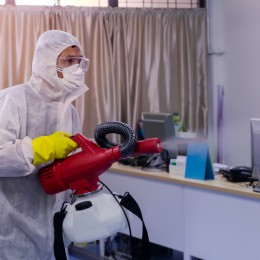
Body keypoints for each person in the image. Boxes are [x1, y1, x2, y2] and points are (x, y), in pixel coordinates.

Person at [0, 30, 89, 259]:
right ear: (46, 61)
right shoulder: (14, 99)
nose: (75, 69)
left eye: (79, 62)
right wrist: (42, 148)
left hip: (55, 227)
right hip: (12, 226)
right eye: (68, 61)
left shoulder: (70, 112)